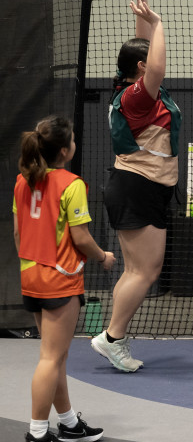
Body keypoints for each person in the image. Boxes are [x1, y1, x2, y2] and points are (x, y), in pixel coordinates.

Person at [91, 0, 181, 372]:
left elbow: (144, 55)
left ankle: (114, 337)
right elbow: (154, 65)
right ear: (140, 69)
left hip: (143, 186)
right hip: (137, 186)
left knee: (139, 270)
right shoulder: (138, 96)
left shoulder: (131, 89)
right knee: (145, 271)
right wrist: (158, 23)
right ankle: (112, 338)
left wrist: (142, 10)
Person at [13, 115, 116, 442]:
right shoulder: (72, 185)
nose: (74, 143)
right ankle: (37, 433)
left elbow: (18, 233)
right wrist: (103, 256)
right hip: (59, 280)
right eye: (71, 139)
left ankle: (69, 423)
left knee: (56, 355)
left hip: (31, 275)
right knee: (51, 358)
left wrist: (33, 265)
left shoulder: (22, 182)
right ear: (64, 150)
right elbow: (81, 238)